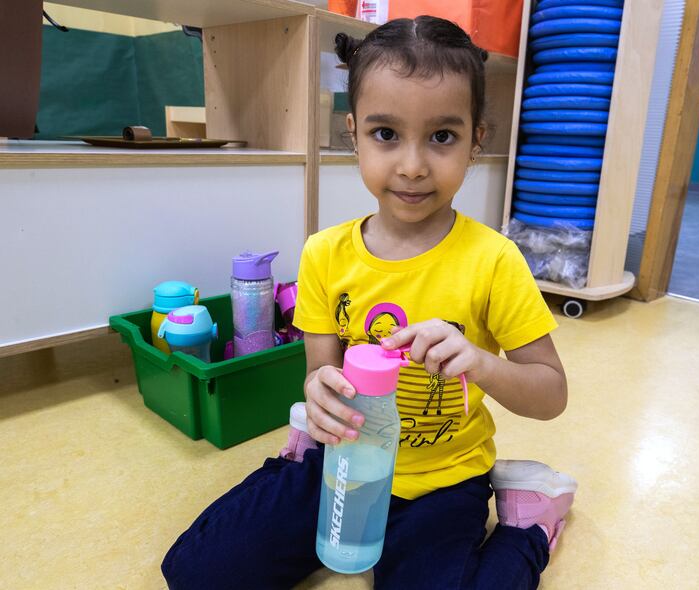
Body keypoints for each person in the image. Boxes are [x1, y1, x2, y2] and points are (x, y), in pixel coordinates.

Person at [162, 16, 577, 590]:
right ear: (352, 132)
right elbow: (321, 372)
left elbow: (551, 392)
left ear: (476, 139)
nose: (411, 165)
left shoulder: (493, 260)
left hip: (442, 481)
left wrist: (479, 361)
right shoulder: (325, 254)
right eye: (386, 134)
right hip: (341, 464)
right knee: (197, 572)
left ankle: (529, 520)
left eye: (442, 136)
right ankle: (294, 457)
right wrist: (318, 393)